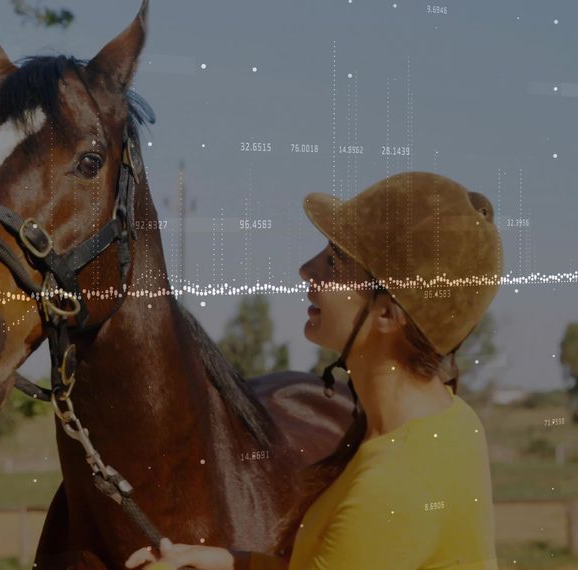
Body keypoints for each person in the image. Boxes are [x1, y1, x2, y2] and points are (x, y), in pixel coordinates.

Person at [126, 171, 502, 570]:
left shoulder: (393, 488)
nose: (307, 269)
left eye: (334, 262)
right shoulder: (452, 420)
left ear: (387, 315)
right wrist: (225, 561)